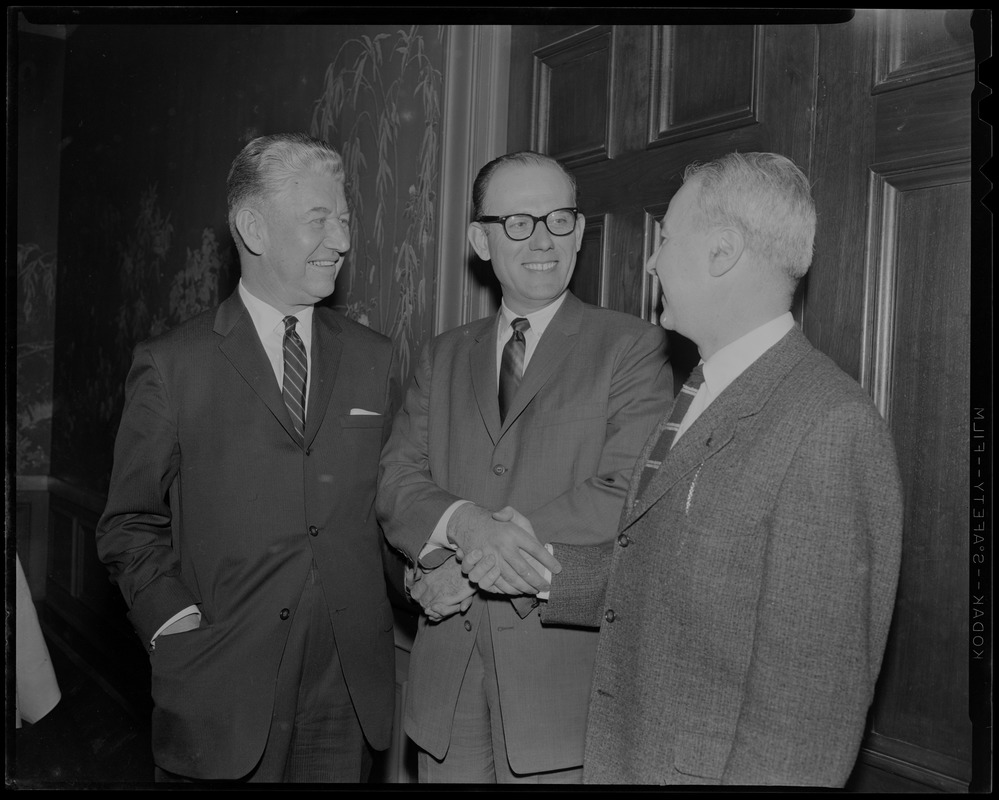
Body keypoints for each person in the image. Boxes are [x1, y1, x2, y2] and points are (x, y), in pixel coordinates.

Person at [464, 151, 904, 786]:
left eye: (666, 239)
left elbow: (805, 717)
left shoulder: (830, 425)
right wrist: (533, 573)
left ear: (721, 253)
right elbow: (660, 567)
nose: (651, 261)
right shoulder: (701, 390)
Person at [96, 133, 398, 783]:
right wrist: (172, 624)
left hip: (342, 696)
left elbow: (390, 504)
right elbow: (127, 523)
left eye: (344, 220)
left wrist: (435, 566)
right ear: (252, 228)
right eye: (319, 220)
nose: (342, 241)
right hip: (218, 690)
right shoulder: (174, 364)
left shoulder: (376, 358)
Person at [376, 150, 671, 783]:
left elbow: (626, 493)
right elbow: (398, 481)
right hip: (445, 683)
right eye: (517, 222)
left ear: (580, 231)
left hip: (560, 693)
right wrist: (462, 531)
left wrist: (476, 559)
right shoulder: (443, 354)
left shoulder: (631, 347)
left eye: (558, 219)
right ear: (481, 240)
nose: (542, 239)